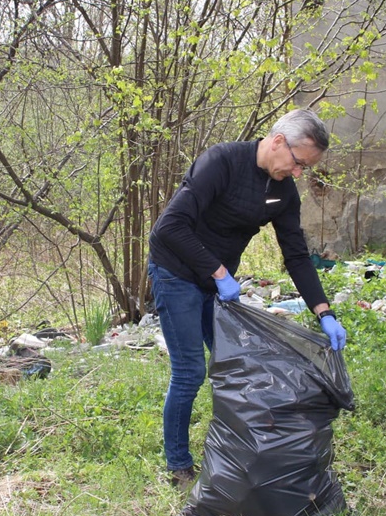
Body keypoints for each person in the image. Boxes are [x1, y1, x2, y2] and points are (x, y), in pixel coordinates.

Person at [147, 108, 348, 486]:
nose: (299, 173)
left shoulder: (283, 192)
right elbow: (168, 227)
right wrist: (220, 273)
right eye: (299, 163)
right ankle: (178, 466)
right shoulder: (221, 162)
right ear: (278, 142)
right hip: (175, 272)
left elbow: (296, 255)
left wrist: (324, 312)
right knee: (190, 372)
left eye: (306, 168)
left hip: (215, 282)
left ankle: (246, 455)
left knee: (242, 364)